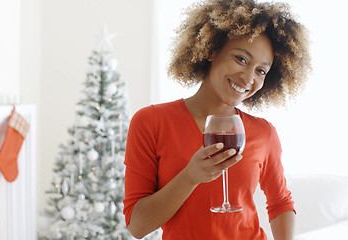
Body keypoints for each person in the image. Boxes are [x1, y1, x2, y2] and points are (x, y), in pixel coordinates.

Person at [123, 0, 311, 239]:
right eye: (241, 59)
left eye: (261, 71)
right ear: (211, 50)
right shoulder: (151, 122)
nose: (248, 78)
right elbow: (137, 226)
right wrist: (190, 177)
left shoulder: (264, 132)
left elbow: (281, 203)